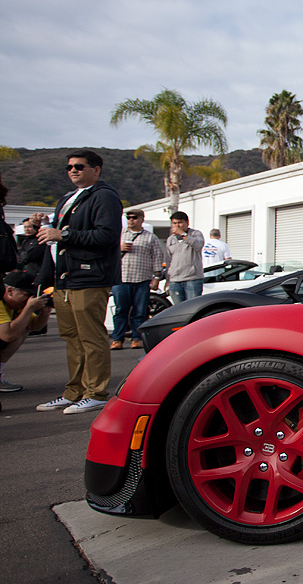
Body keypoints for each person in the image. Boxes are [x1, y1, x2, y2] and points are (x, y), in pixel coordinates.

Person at [33, 150, 123, 415]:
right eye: (69, 167)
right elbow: (53, 244)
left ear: (96, 169)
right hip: (64, 279)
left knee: (91, 336)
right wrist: (44, 279)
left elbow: (106, 235)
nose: (73, 170)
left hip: (90, 277)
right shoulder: (66, 199)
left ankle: (96, 393)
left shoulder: (104, 196)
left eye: (79, 166)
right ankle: (74, 391)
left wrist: (64, 234)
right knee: (71, 337)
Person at [111, 208, 166, 351]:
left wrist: (156, 278)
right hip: (121, 279)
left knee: (140, 312)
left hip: (142, 279)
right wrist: (119, 249)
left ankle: (137, 338)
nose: (131, 220)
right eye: (128, 217)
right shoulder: (119, 235)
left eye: (134, 217)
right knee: (120, 311)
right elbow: (107, 254)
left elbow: (157, 257)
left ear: (142, 219)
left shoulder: (150, 237)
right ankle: (117, 339)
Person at [0, 271, 52, 400]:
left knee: (22, 329)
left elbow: (34, 326)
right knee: (14, 330)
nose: (29, 299)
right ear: (10, 291)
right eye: (26, 295)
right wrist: (29, 308)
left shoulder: (15, 303)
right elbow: (7, 335)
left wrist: (45, 312)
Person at [162, 211, 205, 302]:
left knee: (192, 307)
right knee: (179, 309)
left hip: (192, 279)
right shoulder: (171, 239)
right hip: (175, 280)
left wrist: (183, 234)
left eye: (180, 223)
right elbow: (169, 260)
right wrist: (168, 280)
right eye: (174, 223)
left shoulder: (196, 234)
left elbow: (198, 245)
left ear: (187, 223)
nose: (177, 226)